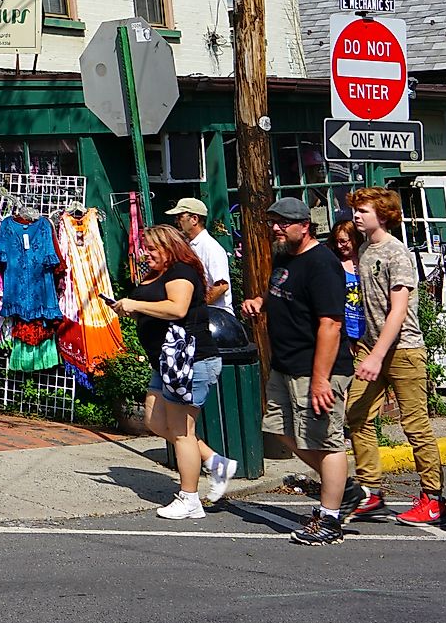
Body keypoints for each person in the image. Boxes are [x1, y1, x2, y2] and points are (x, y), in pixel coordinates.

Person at [244, 195, 353, 545]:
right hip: (285, 364)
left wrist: (321, 379)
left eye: (283, 222)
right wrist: (261, 301)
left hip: (316, 369)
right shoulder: (284, 257)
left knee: (325, 440)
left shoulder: (322, 263)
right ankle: (343, 487)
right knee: (280, 430)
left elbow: (331, 323)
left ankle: (330, 520)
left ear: (305, 226)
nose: (275, 228)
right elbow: (281, 291)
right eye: (273, 221)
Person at [342, 187, 446, 525]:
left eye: (364, 210)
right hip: (371, 348)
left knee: (415, 426)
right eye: (356, 210)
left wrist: (375, 356)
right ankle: (371, 491)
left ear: (383, 214)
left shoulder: (396, 253)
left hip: (402, 350)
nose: (357, 215)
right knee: (356, 413)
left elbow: (398, 311)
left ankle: (433, 498)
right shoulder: (363, 250)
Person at [111, 226, 219, 520]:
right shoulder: (158, 274)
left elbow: (177, 308)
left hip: (188, 360)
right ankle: (213, 461)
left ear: (169, 248)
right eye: (145, 248)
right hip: (165, 361)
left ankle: (190, 498)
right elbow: (158, 306)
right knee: (155, 421)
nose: (147, 254)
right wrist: (135, 310)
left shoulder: (181, 271)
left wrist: (137, 304)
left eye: (152, 249)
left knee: (183, 432)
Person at [161, 196, 239, 502]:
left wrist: (193, 306)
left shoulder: (211, 248)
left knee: (184, 422)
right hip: (195, 328)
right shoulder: (189, 249)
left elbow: (220, 284)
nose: (178, 221)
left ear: (194, 218)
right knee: (172, 421)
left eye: (181, 216)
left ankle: (196, 485)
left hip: (216, 326)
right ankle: (211, 460)